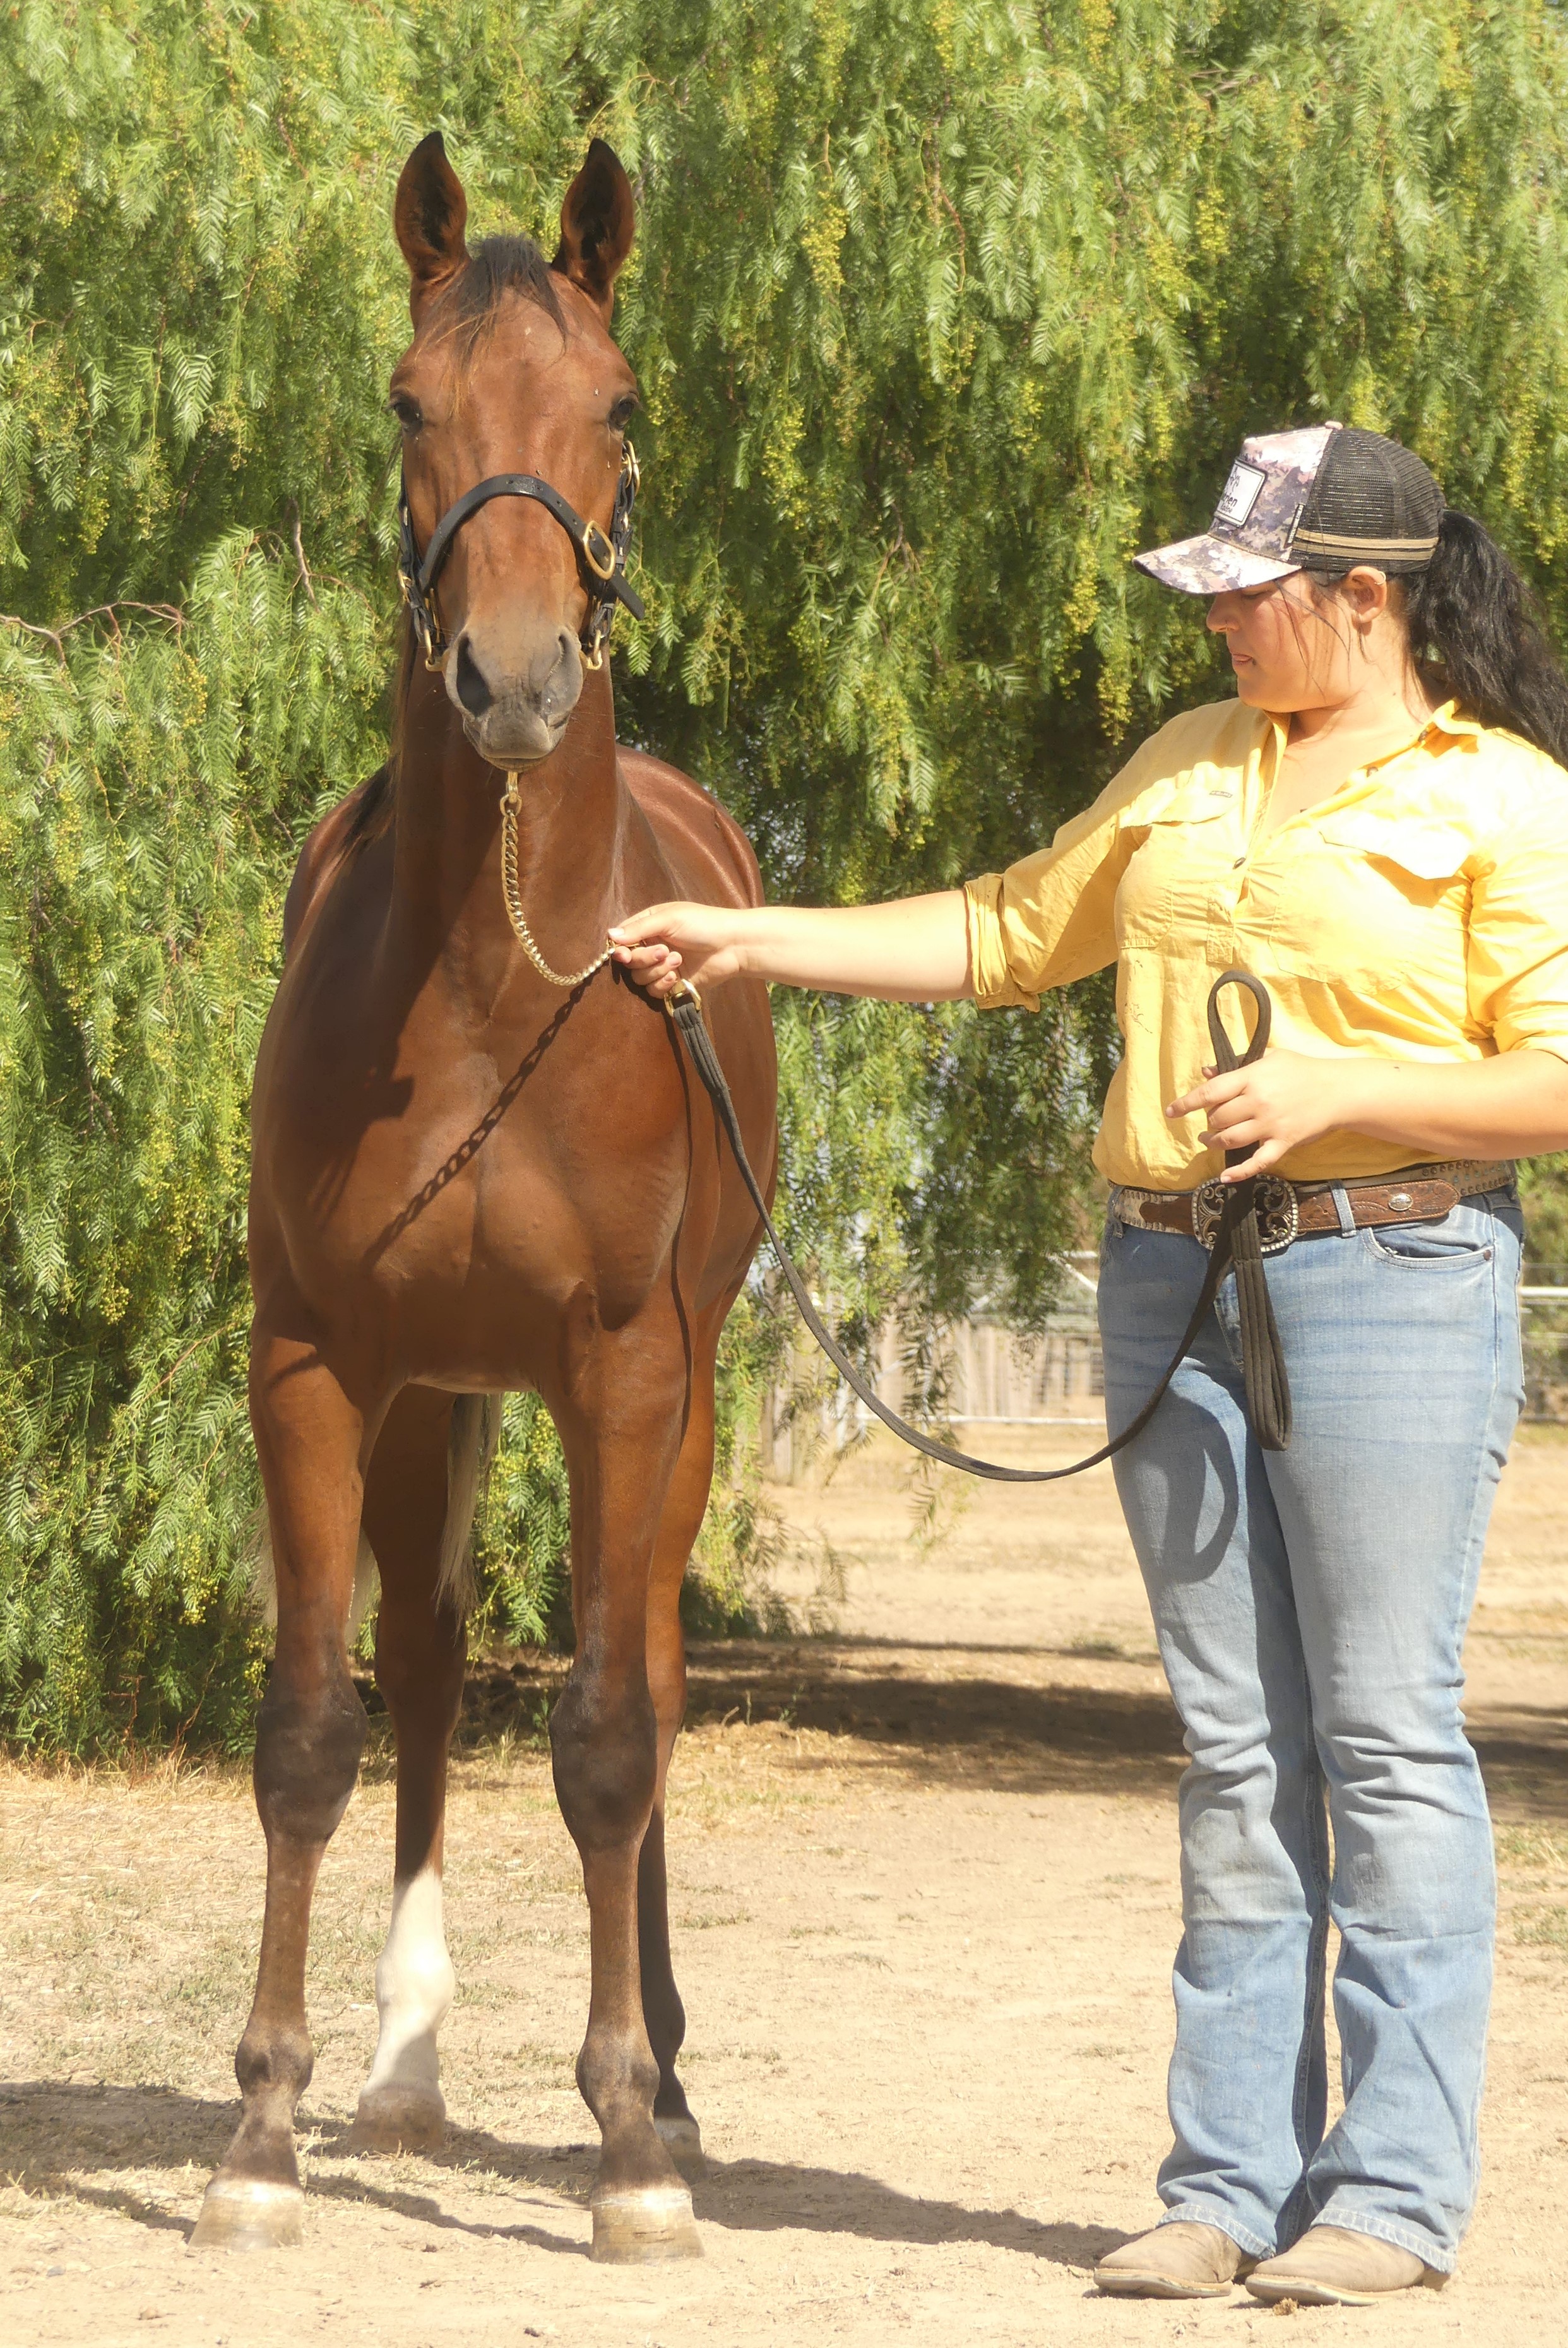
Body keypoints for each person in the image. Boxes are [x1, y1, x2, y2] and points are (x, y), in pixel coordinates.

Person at [609, 422, 1568, 2308]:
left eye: (1247, 595)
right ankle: (1226, 2185)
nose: (1216, 623)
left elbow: (1557, 1074)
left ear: (1360, 600)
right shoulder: (1190, 764)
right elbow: (1004, 931)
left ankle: (1388, 2196)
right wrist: (744, 937)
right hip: (1169, 1287)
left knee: (1382, 1738)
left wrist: (1339, 1085)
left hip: (1387, 1275)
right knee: (1233, 1750)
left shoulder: (1507, 798)